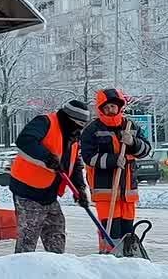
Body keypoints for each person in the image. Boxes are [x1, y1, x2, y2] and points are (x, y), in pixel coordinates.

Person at [9, 99, 91, 254]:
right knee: (28, 238)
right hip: (27, 191)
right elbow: (25, 141)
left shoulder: (72, 137)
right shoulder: (45, 122)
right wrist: (47, 158)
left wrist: (79, 188)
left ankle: (57, 268)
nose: (79, 131)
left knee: (56, 233)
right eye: (77, 126)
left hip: (49, 194)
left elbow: (74, 165)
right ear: (68, 120)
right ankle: (21, 272)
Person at [79, 88, 152, 255]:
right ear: (101, 109)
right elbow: (88, 157)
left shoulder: (130, 126)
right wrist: (112, 160)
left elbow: (146, 149)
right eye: (107, 107)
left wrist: (133, 142)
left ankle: (126, 255)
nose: (111, 110)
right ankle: (110, 255)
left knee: (127, 227)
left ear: (120, 107)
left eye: (114, 106)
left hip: (128, 190)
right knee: (111, 228)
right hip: (105, 190)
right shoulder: (93, 129)